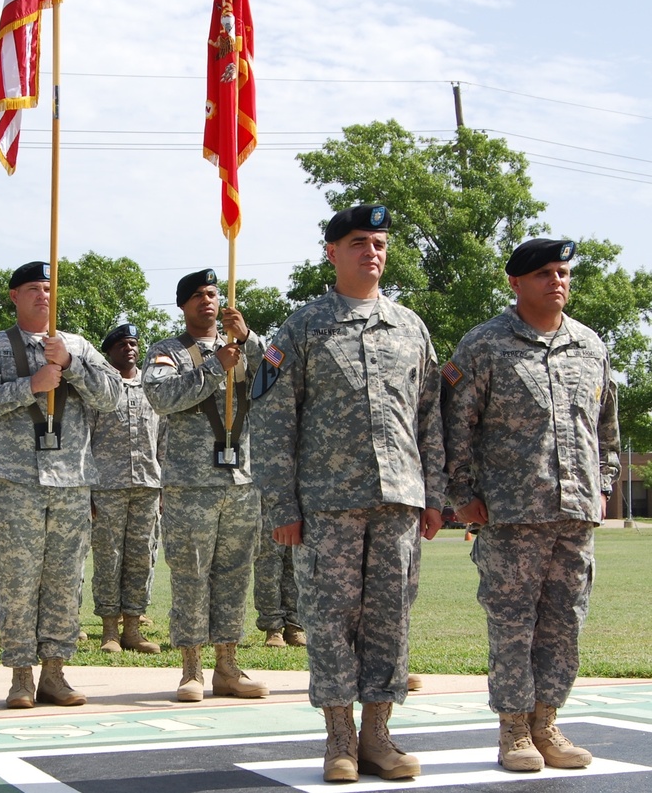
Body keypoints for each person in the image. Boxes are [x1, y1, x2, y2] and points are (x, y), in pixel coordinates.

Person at [251, 205, 445, 783]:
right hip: (327, 503)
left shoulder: (410, 327)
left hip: (399, 501)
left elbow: (431, 415)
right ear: (332, 252)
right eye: (359, 241)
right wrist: (282, 505)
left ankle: (378, 735)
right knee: (330, 620)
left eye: (379, 242)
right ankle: (338, 737)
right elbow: (274, 420)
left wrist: (434, 494)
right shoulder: (303, 328)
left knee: (391, 618)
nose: (372, 252)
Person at [442, 238, 620, 772]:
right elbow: (454, 428)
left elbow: (606, 426)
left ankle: (547, 723)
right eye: (544, 273)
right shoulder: (484, 345)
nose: (557, 282)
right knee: (512, 624)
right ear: (515, 282)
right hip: (510, 514)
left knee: (565, 621)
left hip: (575, 513)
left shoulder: (590, 345)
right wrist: (462, 495)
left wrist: (605, 482)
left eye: (563, 272)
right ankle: (514, 730)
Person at [0, 261, 121, 709]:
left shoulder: (79, 345)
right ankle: (20, 676)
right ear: (14, 296)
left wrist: (70, 365)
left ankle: (54, 672)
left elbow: (114, 395)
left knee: (65, 581)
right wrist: (29, 385)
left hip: (70, 481)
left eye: (49, 289)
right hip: (16, 481)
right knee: (17, 581)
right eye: (33, 289)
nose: (43, 296)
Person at [142, 268, 268, 703]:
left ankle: (228, 667)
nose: (207, 301)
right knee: (191, 575)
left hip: (241, 481)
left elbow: (277, 379)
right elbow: (161, 398)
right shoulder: (167, 352)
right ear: (182, 306)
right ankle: (191, 670)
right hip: (191, 483)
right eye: (196, 295)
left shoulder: (246, 346)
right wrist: (215, 367)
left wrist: (247, 338)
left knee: (234, 575)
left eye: (213, 293)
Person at [89, 323, 166, 655]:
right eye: (122, 345)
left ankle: (133, 627)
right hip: (108, 487)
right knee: (109, 558)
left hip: (148, 485)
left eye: (134, 344)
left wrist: (164, 485)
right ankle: (109, 630)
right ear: (110, 352)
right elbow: (85, 441)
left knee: (141, 558)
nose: (130, 349)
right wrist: (89, 489)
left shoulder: (153, 390)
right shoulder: (100, 392)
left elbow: (163, 441)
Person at [252, 530, 304, 648]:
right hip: (270, 513)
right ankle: (273, 628)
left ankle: (294, 626)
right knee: (269, 566)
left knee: (296, 563)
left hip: (298, 514)